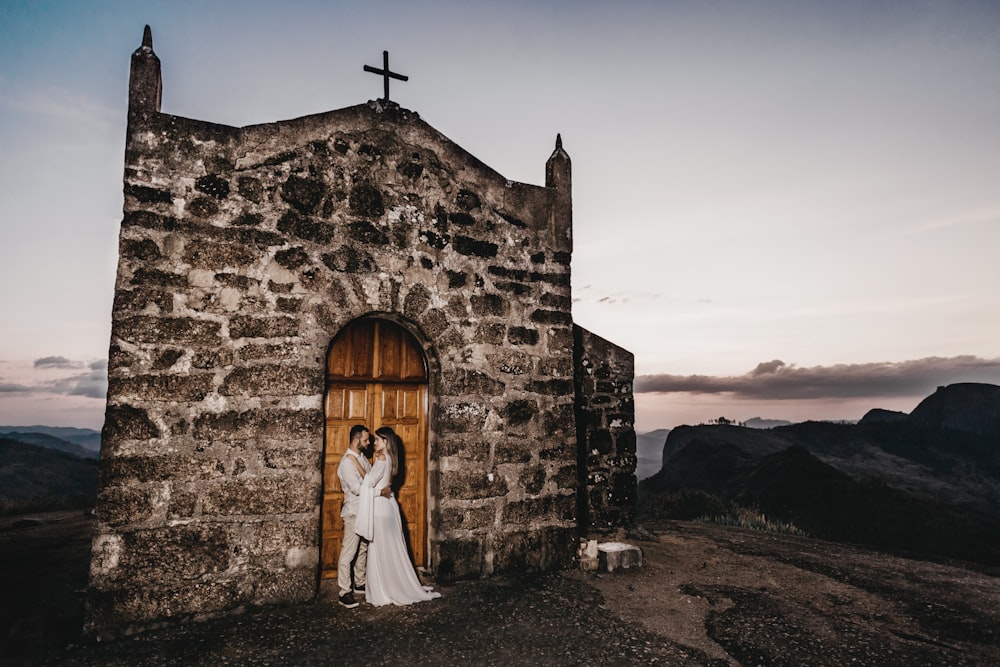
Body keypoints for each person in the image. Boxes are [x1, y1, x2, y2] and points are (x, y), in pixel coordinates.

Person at [356, 426, 440, 606]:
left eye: (378, 440)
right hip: (389, 507)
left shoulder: (381, 458)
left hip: (380, 508)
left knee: (381, 550)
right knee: (390, 548)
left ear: (386, 442)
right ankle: (394, 584)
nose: (375, 443)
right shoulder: (392, 459)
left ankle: (385, 590)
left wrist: (374, 489)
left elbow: (367, 485)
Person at [335, 424, 372, 609]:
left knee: (363, 548)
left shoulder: (361, 458)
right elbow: (358, 489)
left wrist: (368, 480)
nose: (369, 442)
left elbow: (370, 477)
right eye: (365, 440)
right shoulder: (347, 463)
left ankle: (359, 582)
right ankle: (344, 592)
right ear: (356, 439)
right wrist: (370, 483)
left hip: (364, 511)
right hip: (353, 513)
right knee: (349, 552)